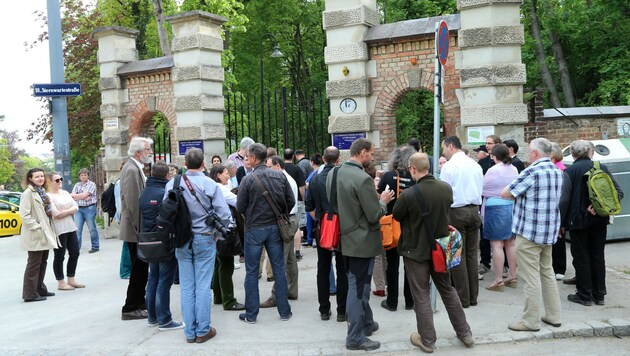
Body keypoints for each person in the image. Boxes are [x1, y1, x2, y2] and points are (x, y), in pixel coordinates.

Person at [393, 153, 474, 352]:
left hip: (415, 252)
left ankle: (427, 341)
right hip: (440, 250)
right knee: (448, 290)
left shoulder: (409, 195)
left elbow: (396, 214)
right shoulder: (445, 189)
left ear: (412, 169)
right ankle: (465, 333)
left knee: (421, 295)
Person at [327, 138, 393, 351]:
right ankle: (355, 337)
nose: (372, 157)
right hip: (361, 241)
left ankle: (366, 322)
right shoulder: (362, 178)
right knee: (359, 290)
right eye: (372, 153)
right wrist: (383, 200)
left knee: (355, 284)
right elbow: (374, 215)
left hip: (343, 239)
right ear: (363, 152)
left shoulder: (332, 173)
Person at [164, 148, 231, 343]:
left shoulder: (172, 184)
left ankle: (189, 332)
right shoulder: (210, 184)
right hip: (204, 237)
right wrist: (218, 233)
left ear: (185, 164)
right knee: (202, 285)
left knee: (186, 286)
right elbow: (224, 214)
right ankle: (202, 330)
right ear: (203, 164)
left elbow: (166, 212)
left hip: (181, 239)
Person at [500, 137, 563, 332]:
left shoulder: (532, 171)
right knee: (547, 273)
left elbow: (506, 193)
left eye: (529, 150)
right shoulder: (556, 170)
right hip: (548, 231)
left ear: (535, 153)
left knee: (530, 277)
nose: (528, 153)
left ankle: (530, 321)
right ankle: (554, 315)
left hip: (529, 233)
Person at [559, 140, 623, 306]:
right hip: (600, 220)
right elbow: (618, 193)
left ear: (573, 154)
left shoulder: (570, 171)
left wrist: (561, 222)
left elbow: (564, 199)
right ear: (591, 152)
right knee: (597, 256)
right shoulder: (601, 167)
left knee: (581, 257)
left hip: (578, 220)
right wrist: (597, 206)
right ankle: (599, 294)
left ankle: (584, 295)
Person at [237, 143, 295, 324]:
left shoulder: (248, 180)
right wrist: (280, 215)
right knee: (279, 269)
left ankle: (251, 314)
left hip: (254, 228)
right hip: (274, 228)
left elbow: (240, 207)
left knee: (252, 272)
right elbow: (291, 200)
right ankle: (284, 311)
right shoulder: (279, 176)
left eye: (248, 157)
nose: (247, 160)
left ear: (254, 158)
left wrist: (251, 215)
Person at [305, 146, 348, 322]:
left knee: (323, 267)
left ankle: (324, 309)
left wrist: (321, 220)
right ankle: (342, 310)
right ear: (338, 160)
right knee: (342, 268)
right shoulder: (343, 178)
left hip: (322, 228)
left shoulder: (315, 179)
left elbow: (309, 207)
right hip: (342, 227)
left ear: (323, 159)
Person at [440, 136, 483, 308]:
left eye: (444, 148)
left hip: (456, 211)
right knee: (472, 255)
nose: (443, 152)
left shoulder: (450, 166)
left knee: (456, 256)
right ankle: (473, 296)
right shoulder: (475, 165)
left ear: (451, 146)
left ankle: (462, 298)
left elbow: (444, 192)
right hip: (474, 210)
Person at [140, 161, 183, 331]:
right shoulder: (164, 193)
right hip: (164, 241)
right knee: (164, 281)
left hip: (149, 241)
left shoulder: (144, 193)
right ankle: (164, 319)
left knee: (153, 279)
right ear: (167, 175)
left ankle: (152, 317)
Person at [376, 145, 416, 312]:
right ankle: (409, 301)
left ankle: (392, 301)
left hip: (391, 226)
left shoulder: (389, 176)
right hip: (411, 226)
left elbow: (379, 196)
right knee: (409, 265)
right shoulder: (415, 177)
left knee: (391, 264)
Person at [259, 155, 300, 308]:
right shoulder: (286, 177)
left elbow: (285, 202)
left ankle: (276, 295)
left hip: (286, 220)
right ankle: (291, 290)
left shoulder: (282, 179)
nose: (267, 170)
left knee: (280, 259)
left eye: (269, 166)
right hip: (290, 218)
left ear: (277, 165)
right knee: (289, 259)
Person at [120, 136, 153, 320]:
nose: (150, 152)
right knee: (138, 269)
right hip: (135, 228)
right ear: (139, 152)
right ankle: (131, 306)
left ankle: (139, 303)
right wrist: (141, 230)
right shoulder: (132, 169)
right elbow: (133, 203)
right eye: (148, 149)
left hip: (136, 227)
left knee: (140, 268)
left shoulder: (134, 167)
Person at [208, 164, 246, 311]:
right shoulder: (220, 188)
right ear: (218, 174)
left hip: (216, 230)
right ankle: (229, 300)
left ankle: (218, 296)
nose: (228, 176)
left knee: (219, 264)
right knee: (226, 265)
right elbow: (238, 202)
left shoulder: (212, 187)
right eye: (225, 173)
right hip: (226, 230)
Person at [481, 144, 518, 291]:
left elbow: (483, 188)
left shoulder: (493, 170)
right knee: (511, 243)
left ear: (494, 156)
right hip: (511, 206)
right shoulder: (514, 168)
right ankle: (512, 275)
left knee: (496, 245)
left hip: (495, 207)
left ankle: (498, 280)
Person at [19, 168, 59, 302]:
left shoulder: (41, 192)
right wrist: (37, 227)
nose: (40, 178)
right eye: (37, 177)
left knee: (42, 262)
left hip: (45, 233)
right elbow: (24, 215)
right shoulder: (28, 193)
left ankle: (40, 288)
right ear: (30, 179)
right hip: (36, 234)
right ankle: (30, 293)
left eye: (42, 176)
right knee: (34, 263)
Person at [47, 172, 84, 291]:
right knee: (60, 255)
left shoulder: (65, 193)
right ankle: (60, 282)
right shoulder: (48, 196)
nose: (60, 181)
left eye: (61, 179)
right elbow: (55, 213)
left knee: (75, 252)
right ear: (49, 182)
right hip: (59, 229)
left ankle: (71, 279)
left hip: (70, 226)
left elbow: (76, 207)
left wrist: (64, 211)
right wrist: (69, 211)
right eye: (57, 180)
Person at [283, 149, 307, 261]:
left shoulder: (280, 169)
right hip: (296, 200)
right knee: (296, 226)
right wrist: (303, 198)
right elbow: (302, 186)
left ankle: (285, 251)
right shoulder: (296, 168)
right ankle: (297, 252)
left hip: (282, 201)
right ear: (293, 156)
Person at [71, 168, 100, 253]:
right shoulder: (77, 185)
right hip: (78, 209)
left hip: (89, 208)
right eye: (82, 175)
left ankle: (95, 246)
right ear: (79, 176)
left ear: (88, 176)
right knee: (77, 229)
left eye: (85, 175)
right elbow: (72, 196)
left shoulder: (92, 184)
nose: (83, 177)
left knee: (92, 228)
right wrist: (82, 196)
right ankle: (76, 249)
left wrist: (78, 196)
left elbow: (85, 195)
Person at [550, 142, 567, 280]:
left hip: (558, 209)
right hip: (552, 208)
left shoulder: (561, 170)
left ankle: (559, 268)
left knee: (558, 239)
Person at [303, 153, 322, 247]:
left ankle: (313, 239)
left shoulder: (317, 172)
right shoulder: (313, 172)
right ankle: (310, 239)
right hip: (310, 200)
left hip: (313, 201)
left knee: (313, 222)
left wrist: (307, 185)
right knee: (309, 222)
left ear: (312, 162)